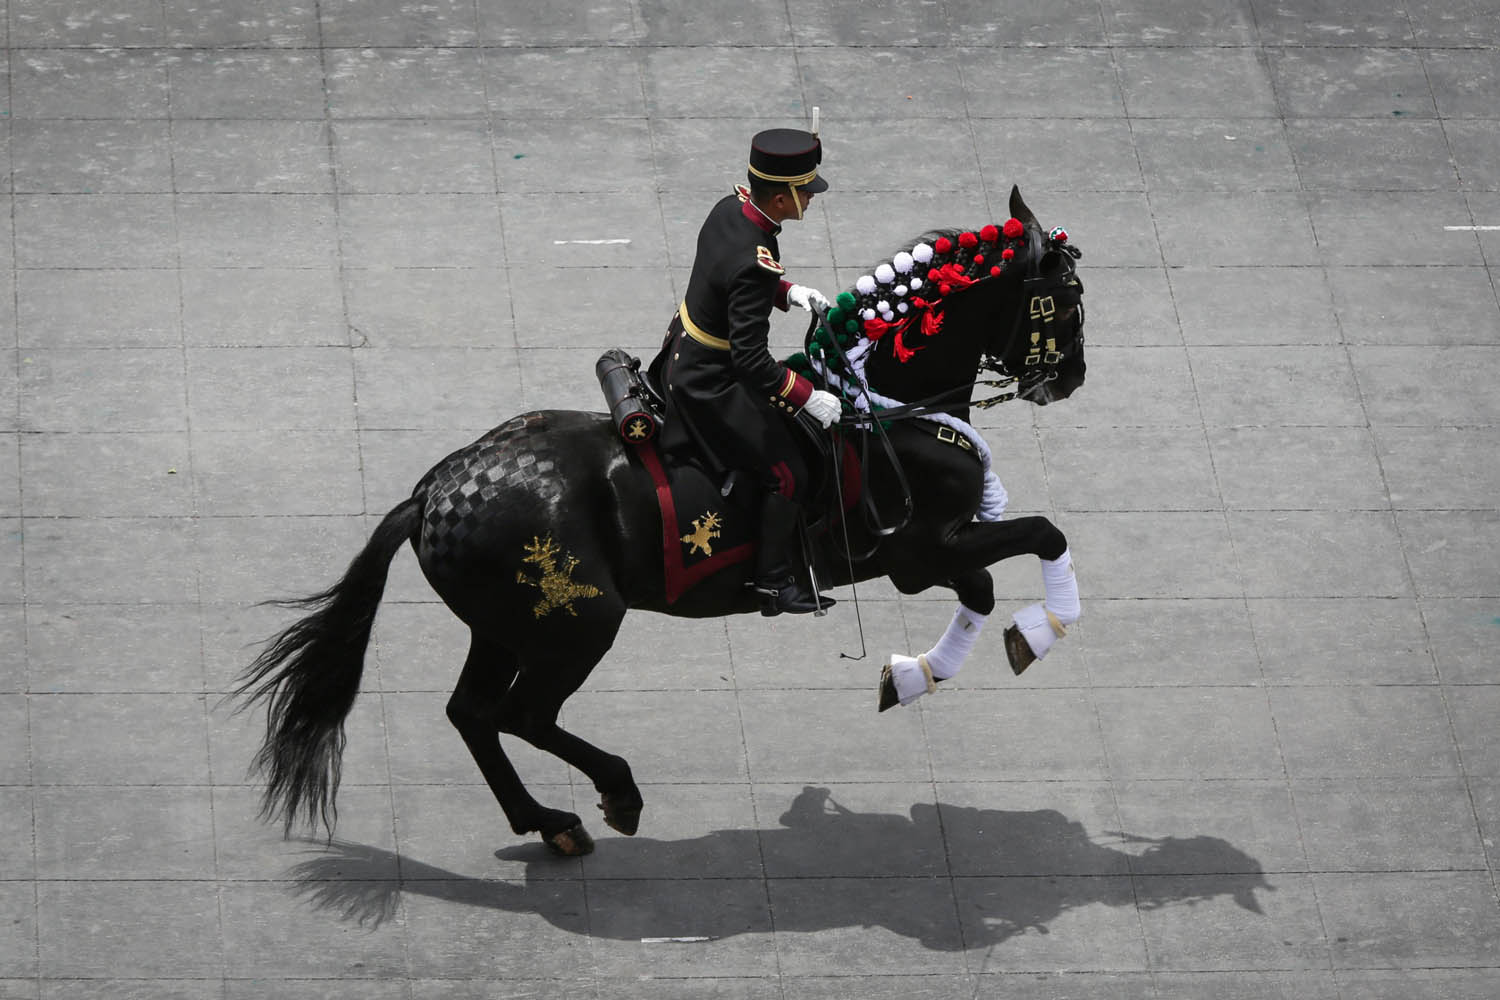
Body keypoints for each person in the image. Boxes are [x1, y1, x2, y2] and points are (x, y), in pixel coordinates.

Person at [649, 128, 842, 616]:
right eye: (806, 193)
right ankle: (773, 581)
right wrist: (806, 396)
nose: (811, 200)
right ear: (782, 197)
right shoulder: (754, 259)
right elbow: (752, 361)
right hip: (707, 384)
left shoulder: (730, 209)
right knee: (790, 474)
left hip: (682, 351)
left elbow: (731, 276)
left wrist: (787, 291)